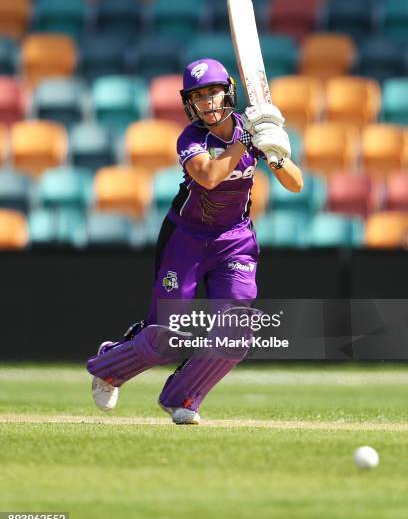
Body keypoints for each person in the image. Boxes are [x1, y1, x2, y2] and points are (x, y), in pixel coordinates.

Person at [87, 58, 303, 424]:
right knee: (164, 336)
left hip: (234, 239)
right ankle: (109, 366)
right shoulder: (191, 138)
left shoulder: (249, 129)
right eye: (199, 96)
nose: (208, 102)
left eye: (214, 93)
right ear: (190, 103)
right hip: (186, 238)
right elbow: (209, 177)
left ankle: (183, 397)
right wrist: (246, 142)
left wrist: (276, 153)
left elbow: (296, 184)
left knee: (236, 333)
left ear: (228, 92)